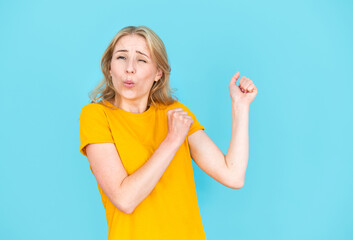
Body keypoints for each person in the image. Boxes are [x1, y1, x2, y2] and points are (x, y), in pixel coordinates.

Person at [79, 25, 258, 240]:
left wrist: (240, 106)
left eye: (142, 60)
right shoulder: (96, 115)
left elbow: (233, 175)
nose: (129, 68)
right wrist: (172, 140)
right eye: (121, 58)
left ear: (158, 73)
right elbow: (125, 199)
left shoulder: (175, 114)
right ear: (109, 67)